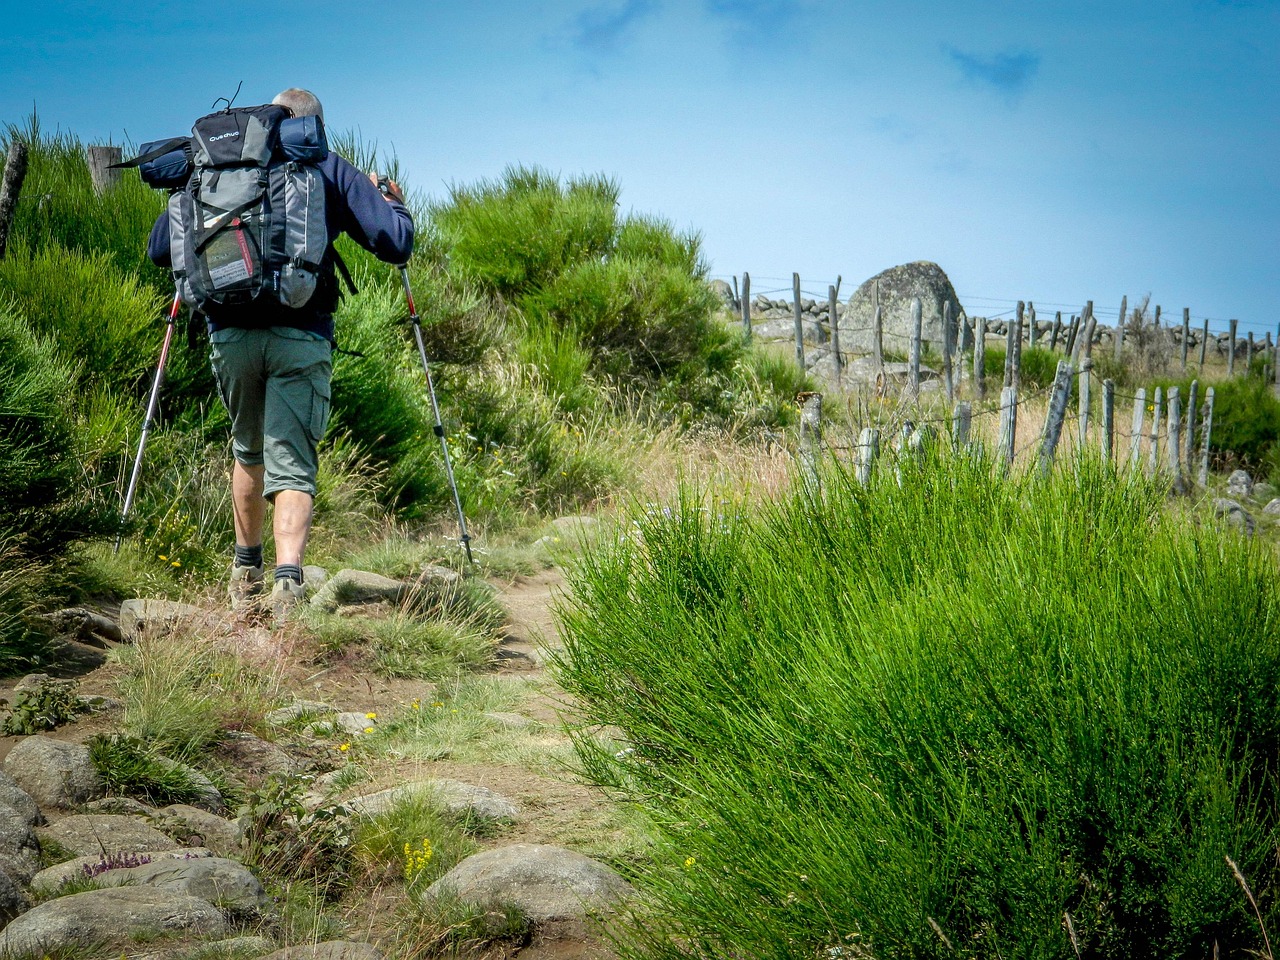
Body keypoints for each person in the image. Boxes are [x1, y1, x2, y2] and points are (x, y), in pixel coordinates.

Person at [147, 87, 414, 617]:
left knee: (248, 450)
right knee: (291, 458)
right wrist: (393, 202)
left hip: (229, 333)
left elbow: (160, 249)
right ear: (314, 127)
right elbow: (393, 243)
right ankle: (288, 582)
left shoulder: (216, 168)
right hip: (300, 332)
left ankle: (244, 573)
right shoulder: (323, 165)